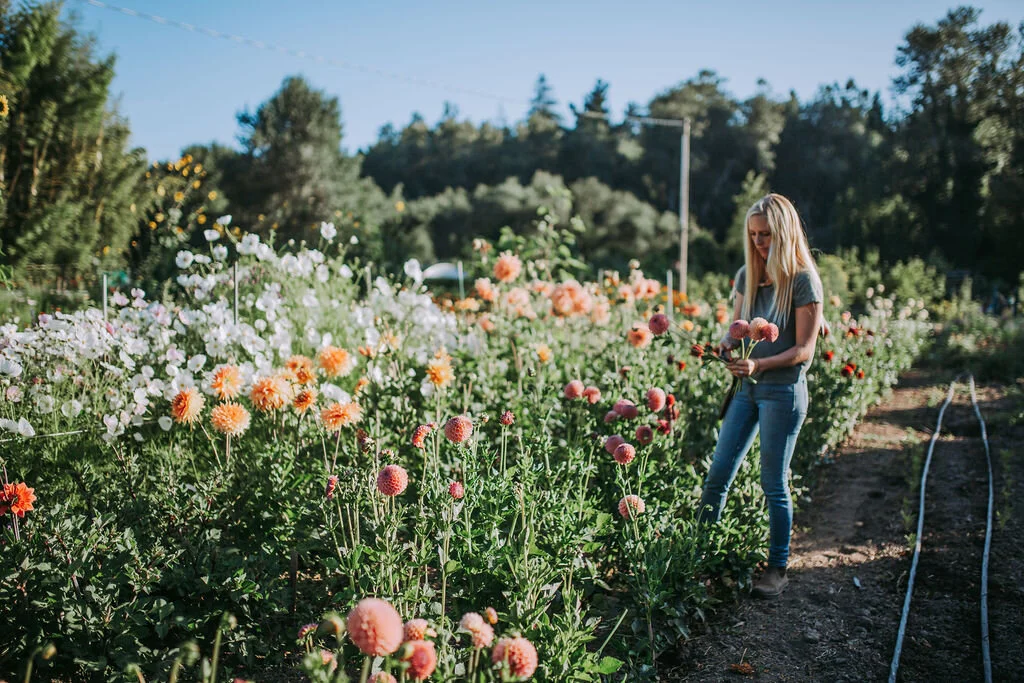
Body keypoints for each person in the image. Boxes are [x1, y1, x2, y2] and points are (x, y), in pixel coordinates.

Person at [698, 193, 823, 599]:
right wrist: (723, 348)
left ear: (784, 233)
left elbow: (805, 350)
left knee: (773, 483)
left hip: (783, 393)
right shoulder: (746, 276)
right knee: (717, 476)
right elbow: (733, 328)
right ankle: (697, 559)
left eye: (766, 235)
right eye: (753, 235)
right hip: (746, 391)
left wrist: (760, 365)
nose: (759, 243)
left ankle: (777, 568)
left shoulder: (803, 280)